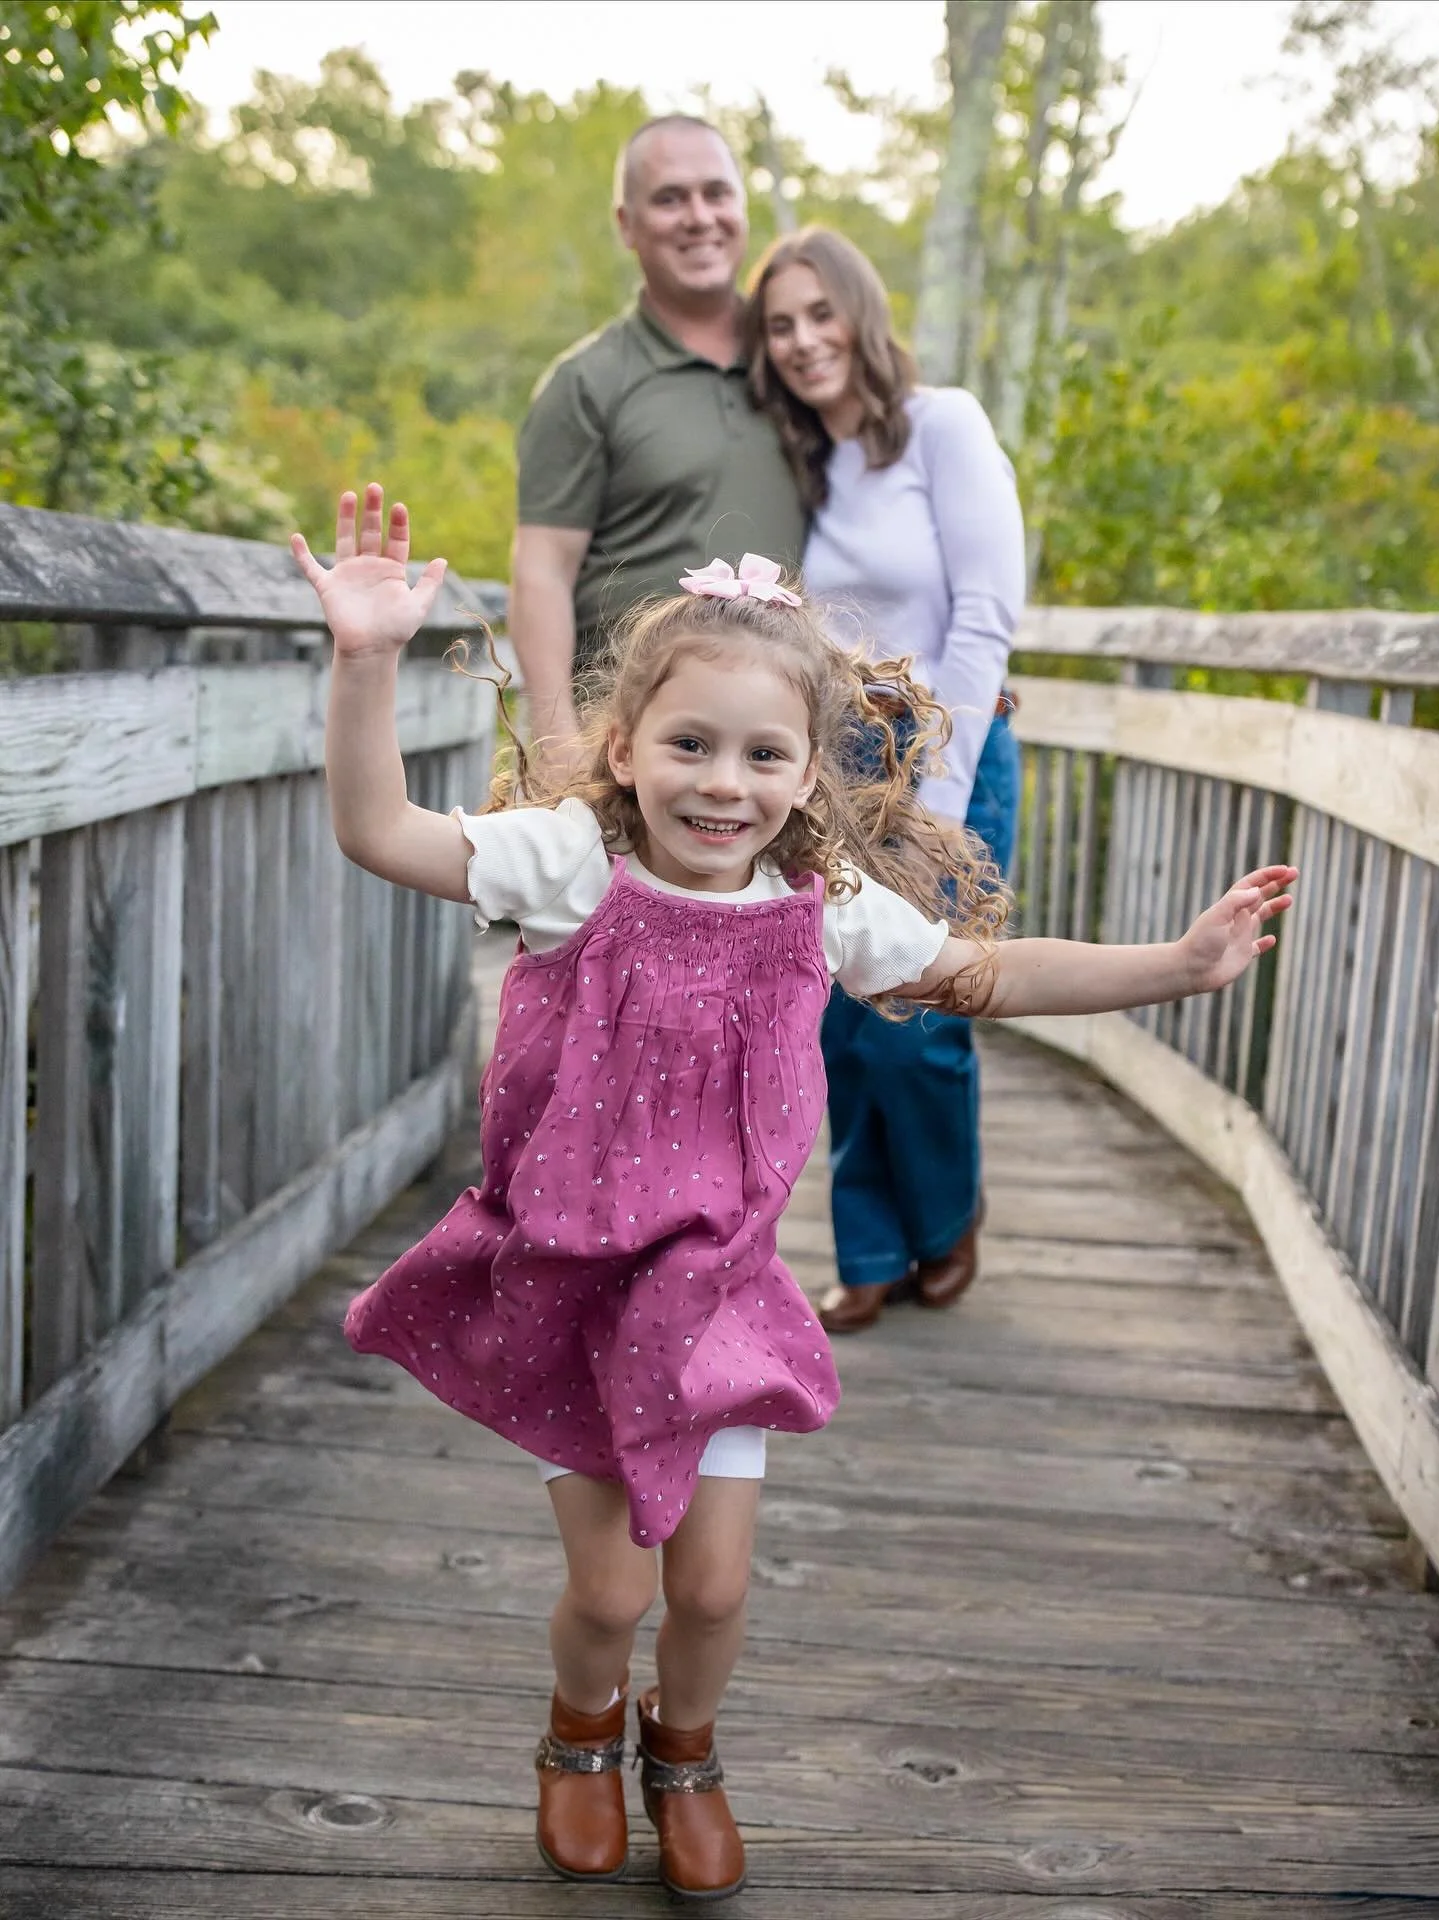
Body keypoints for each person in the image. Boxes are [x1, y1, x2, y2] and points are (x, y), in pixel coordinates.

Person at [291, 483, 1296, 1903]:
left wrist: (1173, 965)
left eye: (766, 755)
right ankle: (580, 1736)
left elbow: (985, 974)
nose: (724, 784)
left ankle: (681, 1749)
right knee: (613, 1590)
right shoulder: (575, 867)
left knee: (709, 1591)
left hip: (719, 1299)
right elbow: (378, 830)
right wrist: (364, 659)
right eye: (690, 744)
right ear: (627, 745)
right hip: (574, 1284)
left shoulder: (817, 911)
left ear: (810, 771)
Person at [745, 225, 1025, 1336]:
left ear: (863, 312)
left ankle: (945, 1221)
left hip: (942, 744)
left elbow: (985, 614)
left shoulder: (943, 427)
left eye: (822, 312)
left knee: (928, 1005)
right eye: (782, 325)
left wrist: (943, 795)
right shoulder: (803, 463)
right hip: (835, 756)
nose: (807, 340)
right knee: (840, 1010)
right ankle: (866, 1247)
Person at [510, 114, 805, 773]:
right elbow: (542, 571)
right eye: (670, 198)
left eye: (716, 193)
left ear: (741, 206)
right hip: (625, 749)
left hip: (770, 757)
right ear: (626, 224)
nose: (698, 217)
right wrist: (556, 747)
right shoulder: (587, 381)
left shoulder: (797, 360)